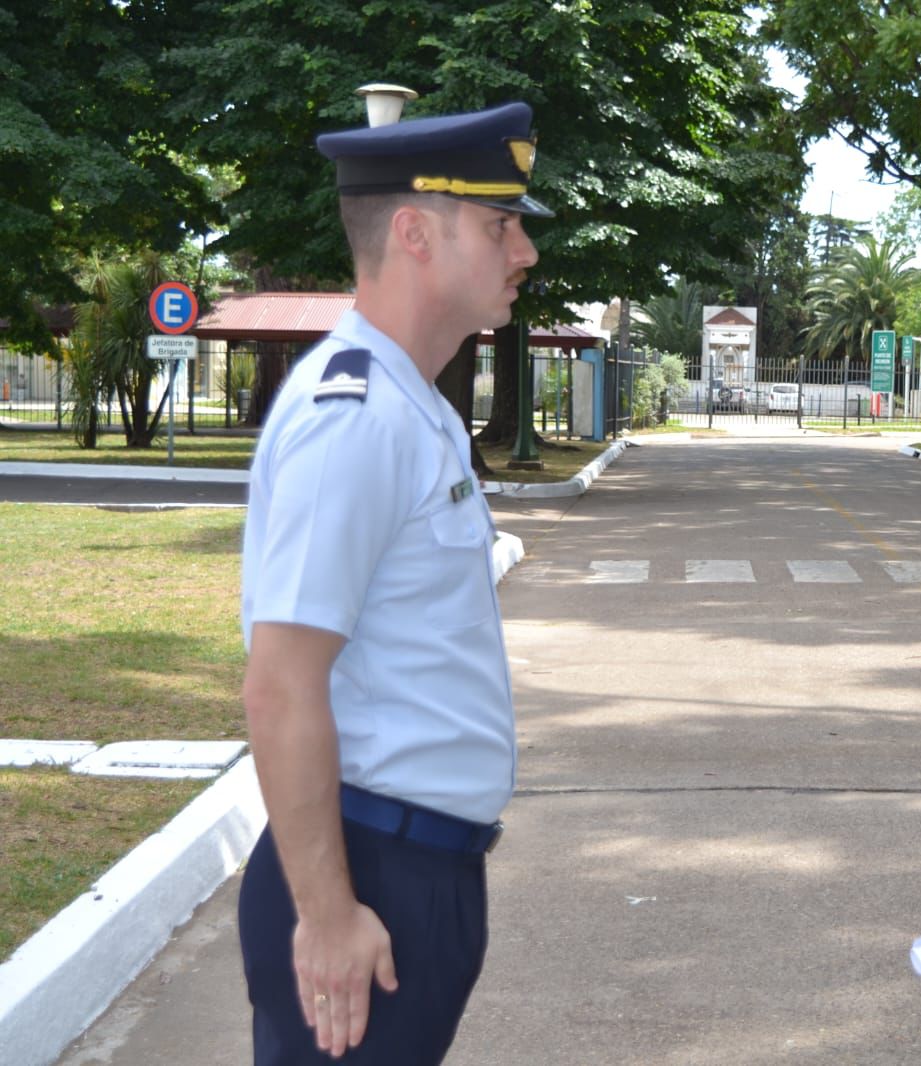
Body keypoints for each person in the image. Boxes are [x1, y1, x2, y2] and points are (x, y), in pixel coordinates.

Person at [238, 101, 550, 1064]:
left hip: (413, 864)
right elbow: (282, 681)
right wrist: (329, 916)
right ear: (414, 232)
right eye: (502, 225)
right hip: (368, 871)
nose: (526, 250)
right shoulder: (357, 415)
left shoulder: (410, 404)